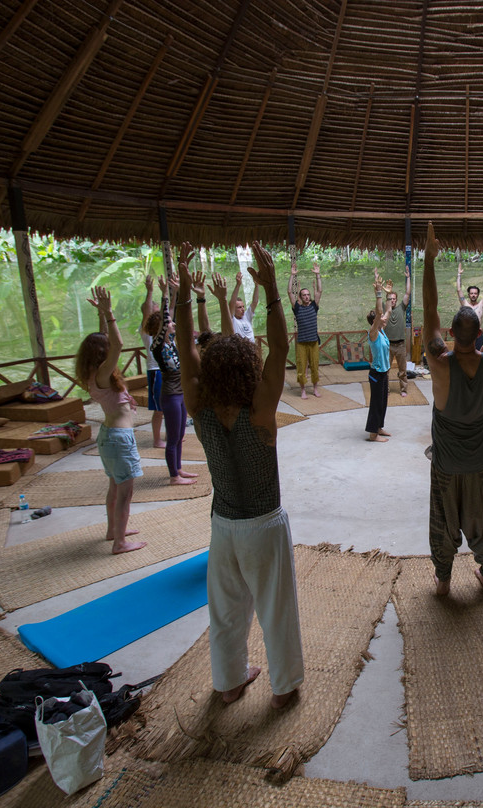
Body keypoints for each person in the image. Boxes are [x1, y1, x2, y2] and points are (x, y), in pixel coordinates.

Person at [174, 241, 304, 709]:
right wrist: (270, 291)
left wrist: (184, 297)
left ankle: (229, 682)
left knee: (225, 612)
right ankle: (284, 686)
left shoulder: (200, 409)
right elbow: (282, 347)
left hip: (224, 526)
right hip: (263, 526)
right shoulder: (260, 411)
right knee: (276, 610)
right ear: (249, 367)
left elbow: (185, 349)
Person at [424, 221, 483, 596]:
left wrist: (429, 260)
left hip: (446, 465)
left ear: (449, 332)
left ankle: (443, 581)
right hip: (480, 463)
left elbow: (428, 311)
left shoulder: (439, 363)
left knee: (443, 521)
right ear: (478, 335)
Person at [76, 286, 145, 555]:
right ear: (102, 353)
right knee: (125, 493)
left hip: (109, 437)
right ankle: (120, 542)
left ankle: (112, 530)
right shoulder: (103, 373)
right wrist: (111, 315)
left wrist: (102, 314)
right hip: (118, 439)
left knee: (114, 488)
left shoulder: (95, 373)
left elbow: (105, 340)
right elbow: (117, 344)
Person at [144, 276, 198, 485]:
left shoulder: (172, 342)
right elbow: (168, 315)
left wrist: (175, 293)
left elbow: (173, 314)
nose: (173, 324)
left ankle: (179, 468)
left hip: (180, 393)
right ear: (162, 327)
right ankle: (173, 476)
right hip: (170, 395)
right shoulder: (157, 346)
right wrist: (165, 295)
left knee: (180, 434)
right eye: (169, 323)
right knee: (173, 436)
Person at [289, 259, 323, 399]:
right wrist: (292, 275)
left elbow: (320, 290)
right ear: (300, 297)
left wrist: (318, 275)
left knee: (314, 366)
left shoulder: (314, 306)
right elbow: (289, 292)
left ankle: (315, 388)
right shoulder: (297, 308)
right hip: (302, 342)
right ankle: (303, 389)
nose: (307, 296)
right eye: (304, 295)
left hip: (313, 341)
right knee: (302, 366)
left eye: (308, 294)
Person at [366, 272, 393, 442]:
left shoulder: (382, 331)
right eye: (380, 317)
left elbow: (389, 309)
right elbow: (380, 310)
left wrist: (389, 293)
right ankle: (372, 434)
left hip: (384, 372)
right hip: (376, 373)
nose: (384, 317)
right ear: (376, 320)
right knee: (376, 403)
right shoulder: (374, 333)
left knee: (383, 402)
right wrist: (378, 294)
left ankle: (379, 428)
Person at [140, 275, 165, 448]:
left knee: (169, 406)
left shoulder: (164, 330)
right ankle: (156, 439)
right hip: (155, 370)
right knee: (159, 408)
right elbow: (147, 312)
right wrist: (150, 291)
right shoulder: (146, 331)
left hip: (166, 370)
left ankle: (170, 435)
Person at [384, 266, 412, 396]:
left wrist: (408, 277)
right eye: (391, 298)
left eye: (394, 298)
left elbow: (407, 293)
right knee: (386, 369)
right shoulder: (385, 308)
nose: (393, 300)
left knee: (403, 370)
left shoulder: (401, 307)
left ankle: (403, 389)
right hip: (388, 344)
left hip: (400, 344)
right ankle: (386, 389)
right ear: (388, 299)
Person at [456, 261, 483, 349]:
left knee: (479, 357)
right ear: (468, 295)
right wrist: (459, 275)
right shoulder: (464, 304)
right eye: (471, 293)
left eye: (475, 293)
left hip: (478, 334)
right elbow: (458, 290)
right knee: (465, 357)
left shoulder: (481, 305)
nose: (473, 295)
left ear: (477, 295)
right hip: (466, 334)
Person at [229, 270, 260, 340]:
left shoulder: (247, 316)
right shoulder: (232, 319)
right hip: (240, 350)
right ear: (233, 309)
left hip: (252, 349)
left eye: (243, 306)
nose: (243, 309)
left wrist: (256, 285)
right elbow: (231, 303)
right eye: (239, 307)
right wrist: (238, 285)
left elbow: (255, 302)